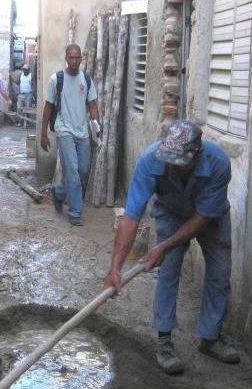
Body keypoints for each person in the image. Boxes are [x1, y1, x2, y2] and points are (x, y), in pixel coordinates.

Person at [102, 120, 240, 375]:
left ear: (197, 155)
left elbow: (202, 218)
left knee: (219, 274)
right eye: (169, 159)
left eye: (180, 161)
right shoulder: (149, 161)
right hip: (170, 210)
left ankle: (210, 337)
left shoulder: (219, 163)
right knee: (168, 272)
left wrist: (163, 246)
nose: (172, 166)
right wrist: (115, 267)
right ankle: (164, 340)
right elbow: (131, 217)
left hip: (209, 216)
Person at [41, 44, 99, 226]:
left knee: (82, 170)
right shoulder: (56, 79)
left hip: (82, 132)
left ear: (81, 59)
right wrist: (43, 133)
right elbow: (48, 106)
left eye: (77, 58)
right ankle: (75, 213)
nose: (74, 61)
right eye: (71, 58)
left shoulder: (86, 80)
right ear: (66, 58)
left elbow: (93, 105)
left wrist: (96, 129)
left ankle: (58, 193)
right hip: (64, 130)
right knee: (73, 172)